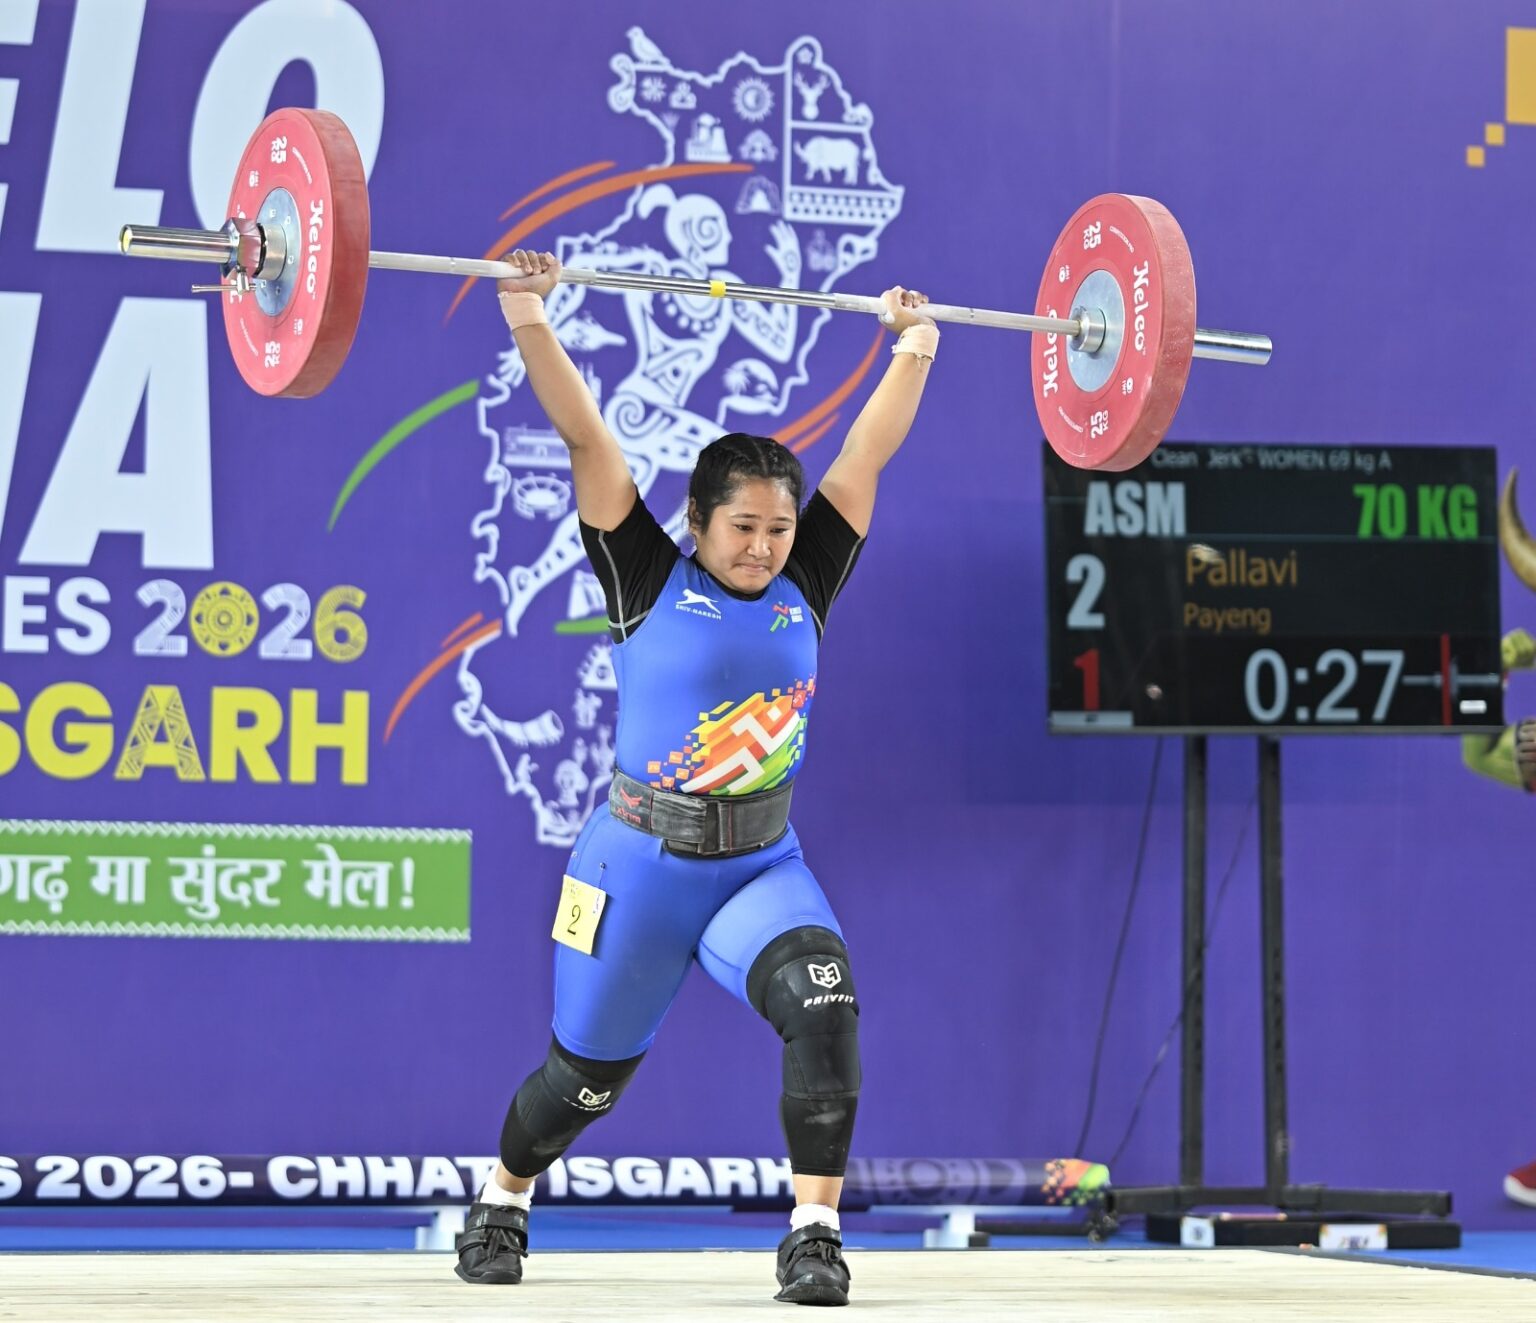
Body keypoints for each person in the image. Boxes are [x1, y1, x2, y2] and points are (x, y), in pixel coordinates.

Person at [454, 247, 937, 1306]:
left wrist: (915, 346)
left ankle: (813, 1235)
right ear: (699, 522)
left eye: (778, 528)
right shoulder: (642, 573)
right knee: (579, 1085)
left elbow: (866, 452)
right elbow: (587, 436)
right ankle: (502, 1197)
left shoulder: (811, 576)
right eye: (743, 528)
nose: (764, 547)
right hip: (637, 868)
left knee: (825, 1010)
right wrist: (528, 312)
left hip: (762, 864)